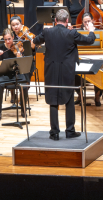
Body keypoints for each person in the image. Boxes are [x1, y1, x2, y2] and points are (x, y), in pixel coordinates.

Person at [31, 9, 97, 140]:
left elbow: (36, 41)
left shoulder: (47, 31)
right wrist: (91, 30)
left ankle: (54, 132)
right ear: (67, 21)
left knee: (53, 100)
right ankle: (70, 130)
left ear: (55, 21)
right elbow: (89, 40)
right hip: (67, 70)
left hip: (51, 70)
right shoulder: (72, 33)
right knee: (69, 99)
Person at [0, 28, 30, 121]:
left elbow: (24, 63)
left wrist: (20, 57)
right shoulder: (1, 47)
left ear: (13, 37)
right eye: (5, 39)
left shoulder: (17, 47)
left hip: (16, 74)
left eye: (9, 39)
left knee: (25, 86)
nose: (8, 41)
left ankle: (23, 109)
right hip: (3, 75)